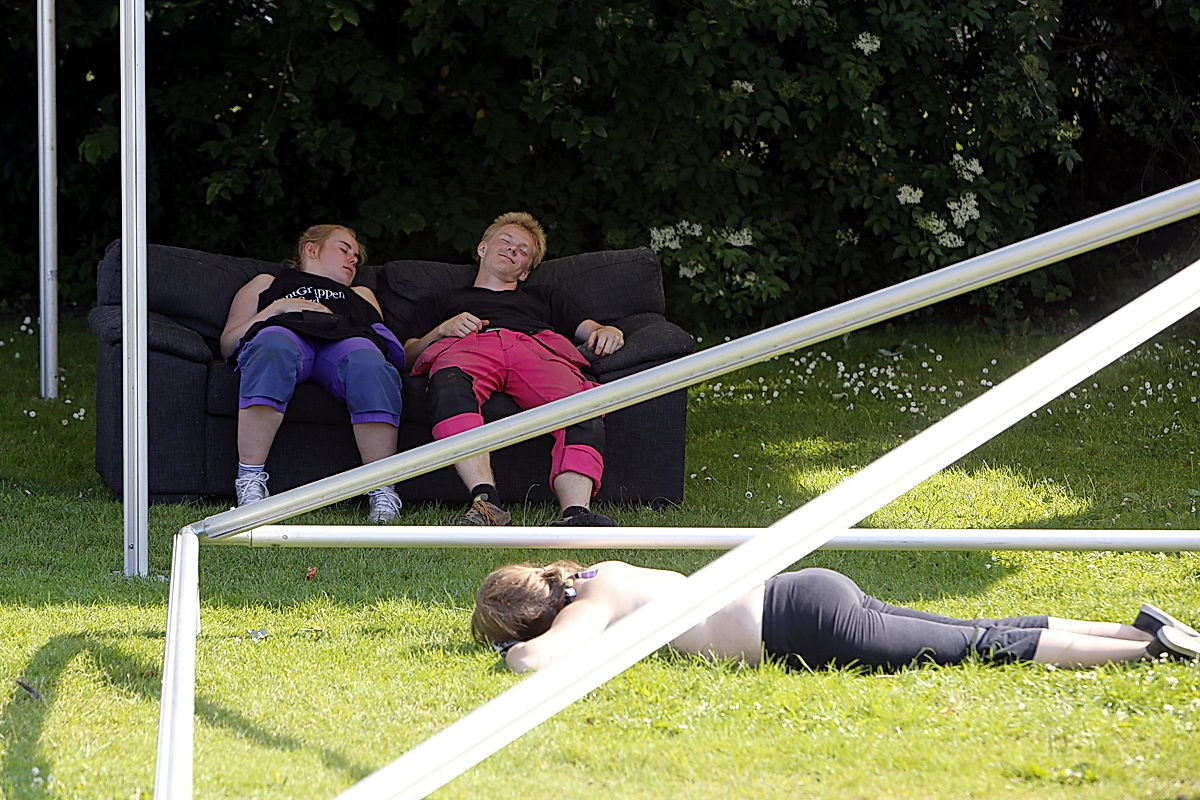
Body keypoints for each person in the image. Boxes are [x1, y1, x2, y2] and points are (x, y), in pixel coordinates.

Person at [471, 559, 1200, 673]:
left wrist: (507, 651)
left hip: (806, 629)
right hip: (808, 591)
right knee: (967, 628)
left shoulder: (590, 604)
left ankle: (1147, 653)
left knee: (975, 645)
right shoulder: (604, 571)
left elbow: (537, 664)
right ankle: (1135, 628)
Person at [402, 212, 625, 527]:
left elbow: (591, 329)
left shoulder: (542, 297)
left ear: (525, 271)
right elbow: (408, 356)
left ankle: (577, 514)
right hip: (469, 346)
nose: (512, 250)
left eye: (522, 250)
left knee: (583, 405)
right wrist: (441, 330)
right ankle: (487, 505)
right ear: (483, 248)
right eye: (505, 242)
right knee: (448, 385)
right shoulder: (443, 300)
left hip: (534, 348)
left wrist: (606, 330)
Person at [220, 224, 405, 523]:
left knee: (370, 365)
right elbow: (229, 343)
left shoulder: (360, 293)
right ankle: (250, 481)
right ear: (311, 249)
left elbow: (380, 340)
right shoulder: (267, 283)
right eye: (344, 249)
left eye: (356, 256)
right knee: (272, 346)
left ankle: (383, 488)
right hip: (287, 333)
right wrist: (277, 308)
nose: (352, 259)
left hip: (344, 341)